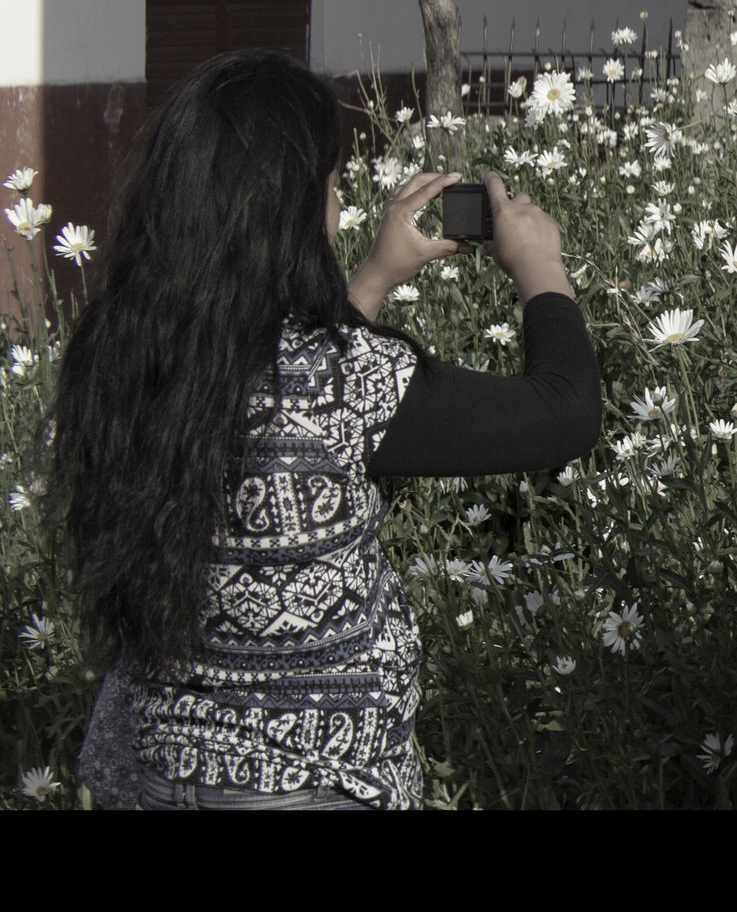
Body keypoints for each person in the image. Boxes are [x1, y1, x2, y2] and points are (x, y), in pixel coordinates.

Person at [52, 49, 601, 810]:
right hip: (308, 784)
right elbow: (564, 412)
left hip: (159, 773)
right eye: (332, 185)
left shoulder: (122, 351)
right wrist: (542, 270)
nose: (340, 208)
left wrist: (373, 277)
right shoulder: (341, 380)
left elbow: (266, 386)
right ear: (284, 207)